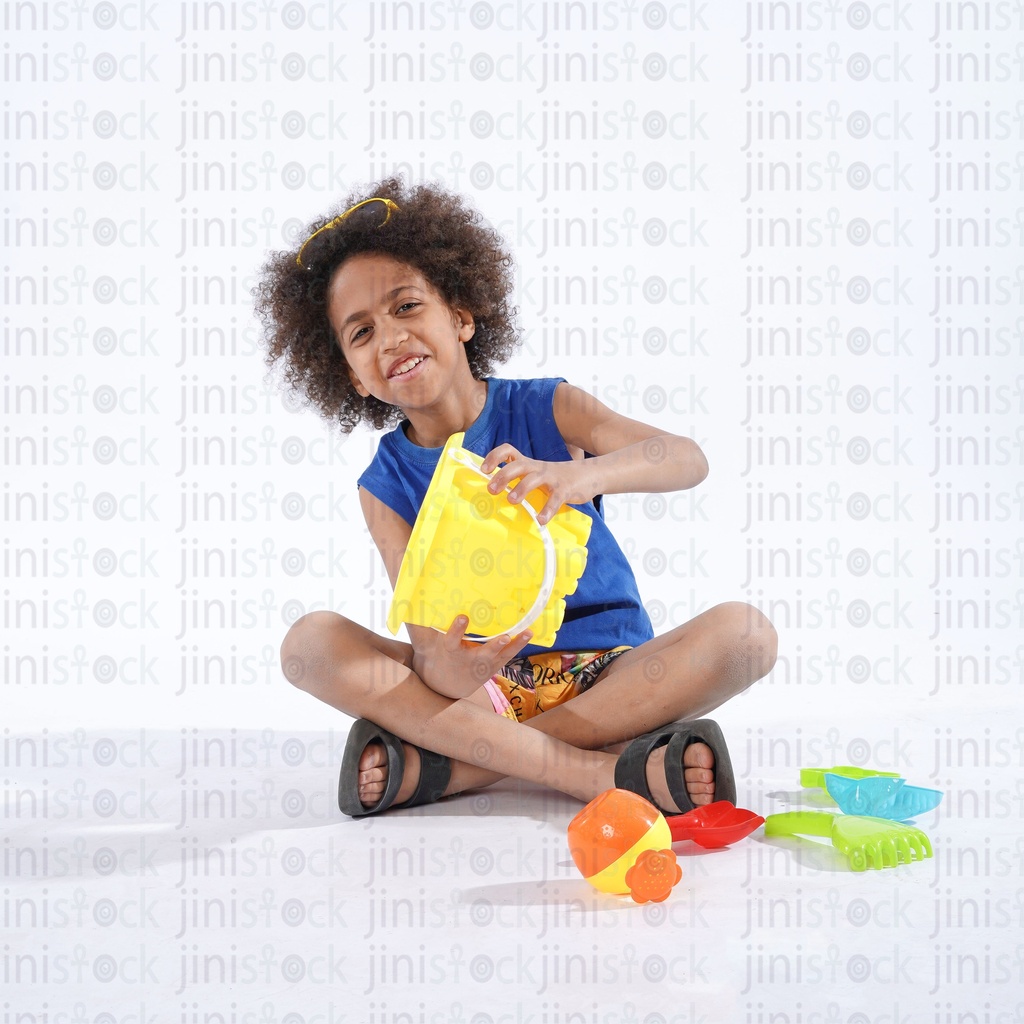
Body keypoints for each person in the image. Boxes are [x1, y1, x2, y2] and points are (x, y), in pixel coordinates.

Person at [255, 178, 777, 819]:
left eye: (407, 306)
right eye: (360, 333)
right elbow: (430, 658)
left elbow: (685, 459)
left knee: (747, 636)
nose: (389, 337)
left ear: (463, 316)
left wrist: (577, 478)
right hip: (485, 693)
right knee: (310, 645)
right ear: (352, 377)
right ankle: (602, 772)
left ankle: (458, 768)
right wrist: (451, 669)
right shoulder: (383, 486)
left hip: (614, 677)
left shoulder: (548, 407)